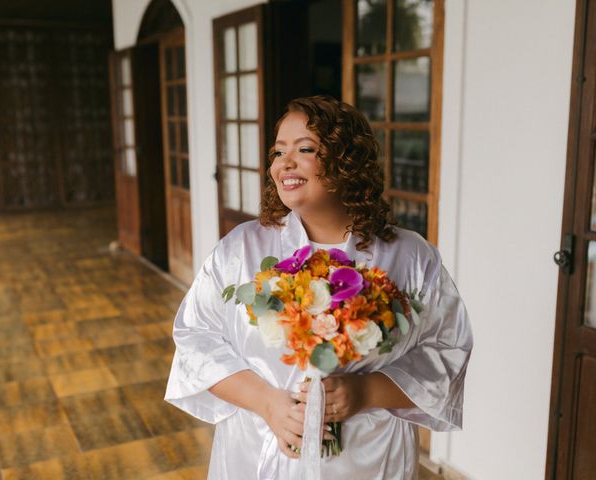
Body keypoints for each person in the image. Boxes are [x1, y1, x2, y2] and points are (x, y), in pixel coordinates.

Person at [165, 96, 472, 479]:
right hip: (259, 446)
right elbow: (196, 339)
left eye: (305, 149)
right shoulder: (241, 250)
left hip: (367, 455)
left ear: (347, 161)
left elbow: (446, 350)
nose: (284, 163)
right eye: (278, 152)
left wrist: (366, 393)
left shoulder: (409, 257)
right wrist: (267, 404)